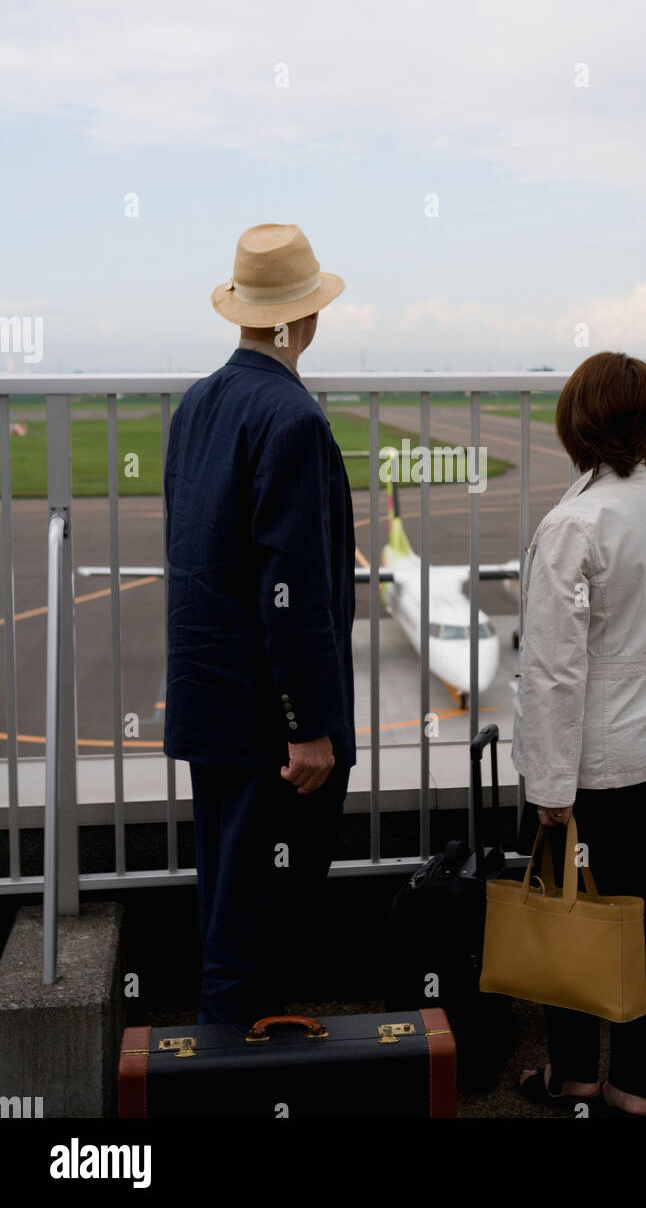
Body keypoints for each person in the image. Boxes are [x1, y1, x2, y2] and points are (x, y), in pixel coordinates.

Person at [162, 223, 356, 1025]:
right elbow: (295, 590)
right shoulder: (294, 420)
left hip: (211, 707)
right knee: (260, 929)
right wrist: (307, 725)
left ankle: (228, 1069)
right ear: (305, 320)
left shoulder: (197, 405)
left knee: (228, 909)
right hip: (271, 732)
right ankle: (239, 1077)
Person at [512, 351, 646, 1117]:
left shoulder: (573, 523)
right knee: (642, 927)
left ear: (575, 424)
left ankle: (576, 1076)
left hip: (588, 763)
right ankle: (636, 1086)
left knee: (570, 920)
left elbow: (555, 670)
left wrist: (550, 788)